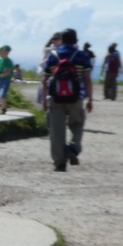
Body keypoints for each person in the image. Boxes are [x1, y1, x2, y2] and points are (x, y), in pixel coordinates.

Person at [42, 27, 93, 171]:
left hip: (56, 98)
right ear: (76, 41)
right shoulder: (82, 55)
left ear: (62, 40)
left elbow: (45, 79)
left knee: (56, 130)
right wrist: (90, 99)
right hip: (76, 98)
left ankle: (59, 162)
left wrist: (45, 99)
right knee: (77, 124)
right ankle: (73, 148)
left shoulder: (53, 55)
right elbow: (87, 79)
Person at [37, 32, 62, 107]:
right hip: (50, 75)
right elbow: (43, 60)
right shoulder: (48, 50)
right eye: (54, 39)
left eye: (56, 39)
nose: (54, 41)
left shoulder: (61, 50)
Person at [0, 45, 16, 114]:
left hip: (6, 80)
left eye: (0, 51)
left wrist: (2, 75)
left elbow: (8, 71)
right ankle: (2, 106)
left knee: (3, 93)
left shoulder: (9, 62)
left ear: (6, 52)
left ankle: (3, 108)